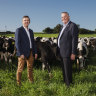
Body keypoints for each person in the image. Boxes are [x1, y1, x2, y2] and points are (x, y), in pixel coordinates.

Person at [15, 16, 37, 85]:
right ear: (22, 21)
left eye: (27, 20)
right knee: (20, 68)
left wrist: (35, 52)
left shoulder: (31, 31)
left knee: (30, 68)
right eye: (25, 20)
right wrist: (20, 53)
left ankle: (31, 81)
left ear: (29, 22)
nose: (26, 21)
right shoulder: (19, 30)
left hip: (31, 52)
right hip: (22, 53)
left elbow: (33, 42)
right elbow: (17, 43)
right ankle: (18, 83)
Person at [57, 12, 79, 86]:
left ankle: (69, 85)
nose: (63, 18)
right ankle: (65, 82)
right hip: (61, 51)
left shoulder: (72, 26)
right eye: (62, 17)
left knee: (67, 69)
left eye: (65, 16)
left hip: (68, 52)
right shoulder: (62, 26)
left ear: (69, 17)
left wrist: (73, 53)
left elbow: (74, 40)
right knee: (64, 68)